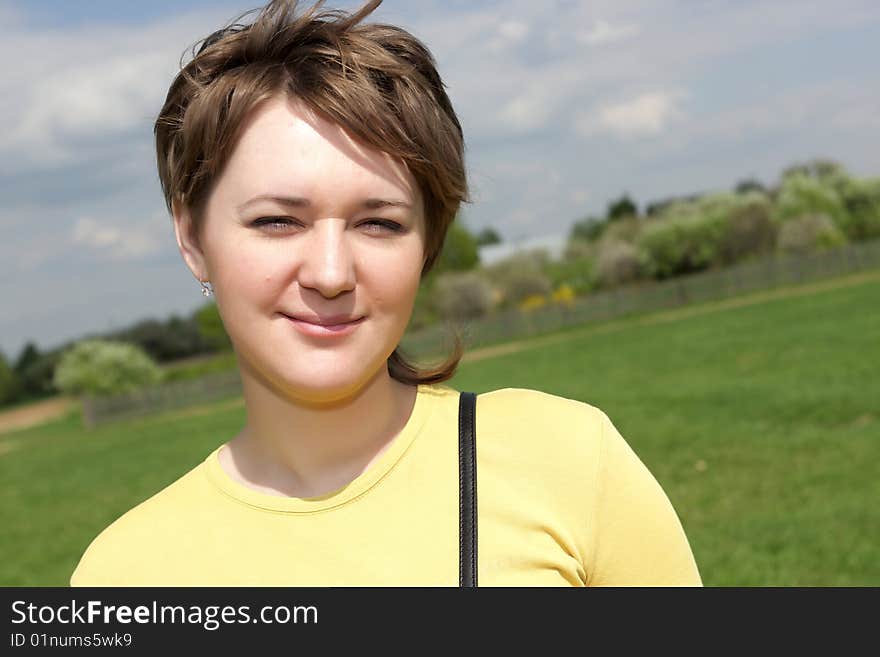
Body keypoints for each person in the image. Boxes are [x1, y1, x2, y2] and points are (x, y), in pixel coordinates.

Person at [70, 0, 701, 587]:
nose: (330, 272)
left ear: (427, 243)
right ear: (193, 237)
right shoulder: (123, 575)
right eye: (277, 221)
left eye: (379, 223)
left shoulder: (570, 461)